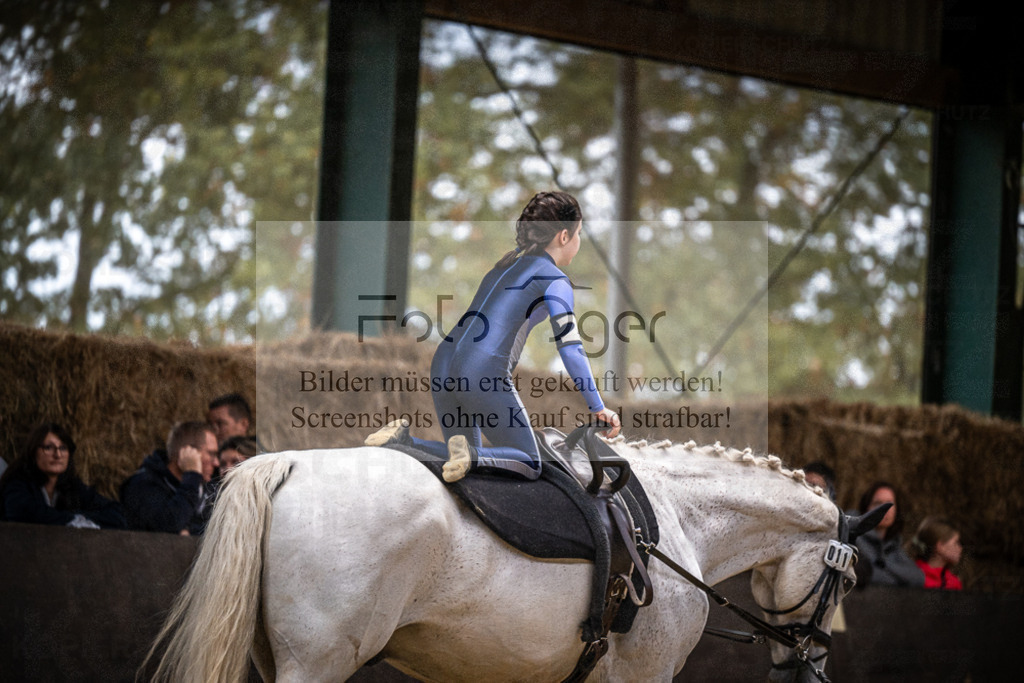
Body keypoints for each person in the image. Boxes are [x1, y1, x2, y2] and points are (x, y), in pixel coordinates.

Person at [365, 191, 620, 483]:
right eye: (579, 234)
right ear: (564, 236)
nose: (578, 242)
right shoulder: (555, 279)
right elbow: (571, 347)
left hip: (443, 364)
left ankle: (404, 443)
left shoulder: (501, 268)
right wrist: (598, 407)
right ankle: (470, 455)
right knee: (530, 461)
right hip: (480, 371)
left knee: (460, 461)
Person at [0, 423, 125, 529]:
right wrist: (72, 519)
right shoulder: (18, 482)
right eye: (48, 448)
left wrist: (80, 518)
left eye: (63, 448)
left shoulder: (72, 486)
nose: (58, 454)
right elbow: (25, 513)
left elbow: (117, 514)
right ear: (33, 451)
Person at [120, 421, 218, 535]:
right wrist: (191, 476)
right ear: (187, 453)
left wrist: (190, 531)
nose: (216, 462)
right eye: (211, 453)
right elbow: (170, 525)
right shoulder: (142, 486)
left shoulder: (206, 489)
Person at [853, 481, 924, 588]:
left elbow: (918, 578)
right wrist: (898, 581)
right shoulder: (853, 537)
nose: (884, 509)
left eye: (889, 504)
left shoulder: (894, 545)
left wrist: (883, 564)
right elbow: (859, 574)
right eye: (878, 503)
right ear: (867, 508)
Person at [910, 516, 964, 590]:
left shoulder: (953, 583)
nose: (960, 548)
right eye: (956, 543)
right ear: (940, 546)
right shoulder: (912, 577)